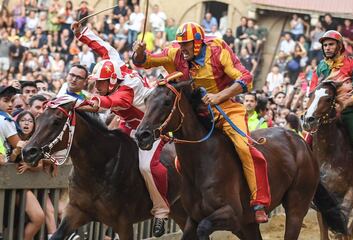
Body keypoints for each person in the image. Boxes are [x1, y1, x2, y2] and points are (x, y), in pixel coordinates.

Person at [132, 22, 271, 223]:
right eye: (180, 43)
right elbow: (144, 62)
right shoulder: (175, 51)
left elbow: (246, 78)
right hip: (198, 113)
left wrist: (219, 96)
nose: (182, 48)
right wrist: (139, 52)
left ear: (197, 42)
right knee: (180, 160)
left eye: (186, 44)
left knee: (243, 146)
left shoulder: (217, 49)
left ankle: (259, 201)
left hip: (227, 109)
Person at [71, 21, 170, 237]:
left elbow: (109, 102)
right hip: (129, 125)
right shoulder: (115, 65)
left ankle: (161, 210)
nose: (98, 87)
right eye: (97, 83)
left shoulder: (125, 93)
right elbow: (105, 48)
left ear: (114, 80)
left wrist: (89, 99)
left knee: (146, 167)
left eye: (101, 83)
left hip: (151, 130)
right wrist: (82, 34)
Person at [310, 30, 353, 159]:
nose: (327, 48)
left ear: (340, 46)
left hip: (349, 111)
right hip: (322, 113)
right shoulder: (320, 67)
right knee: (306, 141)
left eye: (331, 44)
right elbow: (312, 91)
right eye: (325, 45)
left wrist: (345, 104)